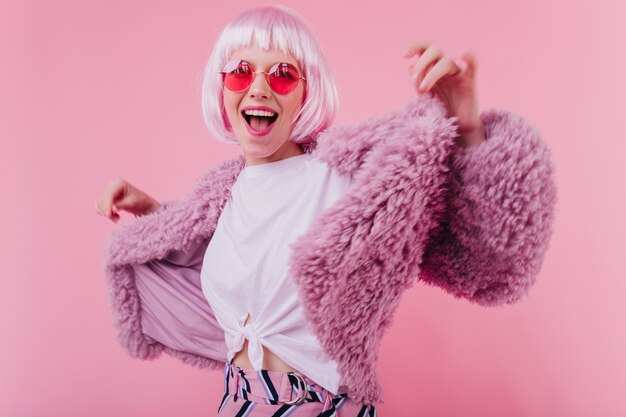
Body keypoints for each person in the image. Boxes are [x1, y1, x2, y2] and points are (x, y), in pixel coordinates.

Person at [95, 5, 557, 416]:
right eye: (239, 71)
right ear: (222, 89)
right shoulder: (223, 196)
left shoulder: (347, 179)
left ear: (304, 92)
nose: (258, 87)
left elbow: (486, 255)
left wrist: (468, 128)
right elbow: (237, 261)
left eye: (281, 74)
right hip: (236, 401)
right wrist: (157, 217)